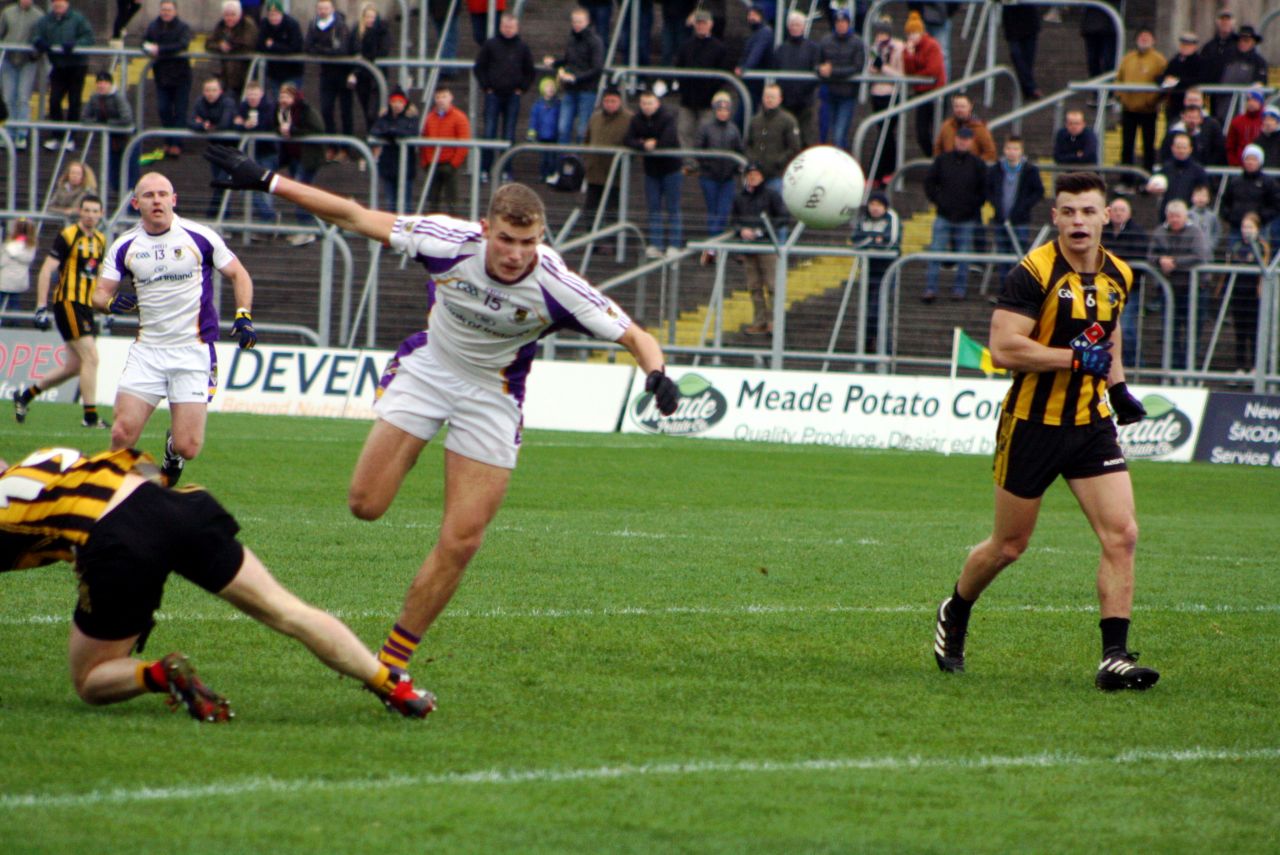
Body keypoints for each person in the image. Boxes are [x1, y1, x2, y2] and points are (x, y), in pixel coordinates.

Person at [202, 143, 681, 691]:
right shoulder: (446, 240)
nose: (514, 254)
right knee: (365, 505)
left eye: (527, 242)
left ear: (540, 240)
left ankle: (391, 661)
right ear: (485, 229)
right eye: (505, 239)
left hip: (493, 395)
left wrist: (656, 375)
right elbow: (355, 216)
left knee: (463, 540)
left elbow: (635, 336)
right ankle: (406, 456)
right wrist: (269, 181)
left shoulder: (556, 285)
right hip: (431, 369)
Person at [0, 446, 434, 721]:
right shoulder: (43, 458)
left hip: (118, 543)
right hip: (173, 506)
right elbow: (142, 465)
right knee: (288, 611)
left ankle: (160, 673)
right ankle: (393, 686)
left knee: (90, 681)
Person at [932, 171, 1157, 693]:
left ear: (1108, 216)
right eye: (1069, 212)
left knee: (1122, 535)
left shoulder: (1119, 273)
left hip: (1090, 425)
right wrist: (1073, 358)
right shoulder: (1031, 273)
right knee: (1009, 546)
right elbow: (1005, 349)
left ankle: (1114, 659)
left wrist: (1118, 387)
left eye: (1088, 211)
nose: (1079, 221)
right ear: (1055, 217)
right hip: (1032, 425)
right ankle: (957, 608)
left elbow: (1110, 327)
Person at [91, 173, 257, 485]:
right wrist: (110, 303)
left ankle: (172, 451)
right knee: (121, 434)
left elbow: (239, 274)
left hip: (192, 352)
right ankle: (125, 493)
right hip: (148, 352)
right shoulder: (125, 245)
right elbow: (98, 294)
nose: (157, 200)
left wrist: (243, 316)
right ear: (136, 203)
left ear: (174, 200)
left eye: (163, 194)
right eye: (149, 195)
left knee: (188, 446)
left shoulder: (199, 236)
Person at [14, 195, 108, 428]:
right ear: (79, 212)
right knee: (92, 357)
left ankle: (25, 396)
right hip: (68, 302)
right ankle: (90, 417)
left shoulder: (100, 240)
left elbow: (99, 275)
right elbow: (46, 271)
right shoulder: (68, 236)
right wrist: (40, 307)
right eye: (86, 210)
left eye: (95, 211)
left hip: (86, 306)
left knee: (75, 366)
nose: (90, 215)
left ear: (101, 214)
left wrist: (106, 305)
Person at [922, 126, 986, 302]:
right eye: (960, 138)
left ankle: (959, 289)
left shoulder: (978, 164)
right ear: (955, 139)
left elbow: (984, 190)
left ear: (971, 141)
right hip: (943, 215)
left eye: (966, 139)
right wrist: (939, 201)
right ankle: (930, 288)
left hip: (966, 218)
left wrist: (972, 206)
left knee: (963, 256)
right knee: (935, 252)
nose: (962, 142)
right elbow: (929, 183)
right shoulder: (942, 160)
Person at [1147, 198, 1211, 370]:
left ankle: (1189, 366)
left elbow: (1199, 256)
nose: (1174, 219)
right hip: (1168, 290)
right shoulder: (1159, 232)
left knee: (1193, 329)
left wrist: (1174, 262)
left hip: (1194, 290)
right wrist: (1161, 260)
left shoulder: (1195, 232)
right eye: (1171, 216)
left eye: (1178, 216)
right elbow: (1150, 256)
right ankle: (1173, 366)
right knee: (1171, 330)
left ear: (1185, 216)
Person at [473, 12, 534, 182]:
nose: (508, 30)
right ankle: (485, 170)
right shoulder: (490, 45)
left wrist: (522, 88)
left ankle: (506, 170)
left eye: (511, 27)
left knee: (509, 134)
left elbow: (530, 71)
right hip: (493, 95)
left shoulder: (522, 47)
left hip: (512, 96)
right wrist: (486, 87)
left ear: (517, 28)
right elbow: (479, 67)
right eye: (505, 26)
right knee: (489, 132)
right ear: (501, 27)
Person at [730, 162, 787, 335]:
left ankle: (774, 322)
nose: (753, 178)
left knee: (772, 286)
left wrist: (765, 229)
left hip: (767, 246)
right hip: (749, 248)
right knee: (754, 287)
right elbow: (733, 221)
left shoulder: (771, 195)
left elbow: (784, 217)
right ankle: (759, 321)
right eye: (750, 175)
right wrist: (742, 230)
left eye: (756, 174)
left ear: (762, 177)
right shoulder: (739, 197)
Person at [627, 88, 683, 258]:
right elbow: (628, 139)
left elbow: (669, 139)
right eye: (643, 103)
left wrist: (651, 144)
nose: (646, 107)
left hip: (671, 169)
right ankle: (656, 244)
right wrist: (643, 145)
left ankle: (674, 244)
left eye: (650, 103)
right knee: (654, 208)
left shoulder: (667, 117)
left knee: (673, 208)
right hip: (651, 171)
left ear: (657, 103)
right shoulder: (637, 119)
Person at [30, 0, 92, 141]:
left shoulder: (78, 18)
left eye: (61, 4)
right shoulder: (46, 20)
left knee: (74, 101)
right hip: (58, 65)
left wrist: (75, 44)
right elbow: (36, 34)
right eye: (55, 4)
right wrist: (39, 41)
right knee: (54, 100)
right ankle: (57, 135)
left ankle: (71, 136)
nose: (58, 7)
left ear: (67, 4)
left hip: (77, 65)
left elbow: (89, 37)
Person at [674, 8, 731, 158]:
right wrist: (684, 90)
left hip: (708, 101)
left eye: (704, 23)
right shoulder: (686, 46)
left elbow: (723, 75)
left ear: (710, 24)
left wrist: (712, 93)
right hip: (687, 100)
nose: (701, 26)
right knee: (684, 131)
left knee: (705, 134)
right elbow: (678, 69)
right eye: (698, 23)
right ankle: (688, 163)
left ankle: (703, 163)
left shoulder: (719, 48)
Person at [543, 7, 603, 147]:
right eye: (574, 22)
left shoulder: (595, 41)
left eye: (580, 22)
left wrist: (576, 78)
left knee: (582, 131)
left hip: (587, 90)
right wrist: (554, 63)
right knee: (563, 129)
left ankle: (579, 164)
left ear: (587, 22)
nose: (577, 25)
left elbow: (597, 67)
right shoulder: (572, 39)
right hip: (570, 89)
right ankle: (563, 163)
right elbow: (568, 60)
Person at [274, 82, 326, 243]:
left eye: (287, 96)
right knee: (300, 193)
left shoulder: (306, 110)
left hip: (308, 157)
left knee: (300, 193)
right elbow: (275, 127)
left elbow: (318, 129)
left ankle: (308, 229)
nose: (284, 100)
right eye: (282, 96)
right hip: (294, 157)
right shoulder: (280, 112)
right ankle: (315, 226)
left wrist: (293, 131)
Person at [849, 190, 900, 352]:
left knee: (877, 309)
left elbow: (889, 242)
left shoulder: (891, 218)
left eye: (878, 205)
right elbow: (855, 241)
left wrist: (869, 239)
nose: (875, 208)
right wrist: (874, 239)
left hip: (887, 271)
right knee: (867, 311)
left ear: (884, 207)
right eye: (872, 204)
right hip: (867, 270)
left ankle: (884, 347)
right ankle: (867, 343)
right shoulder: (863, 218)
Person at [141, 0, 192, 160]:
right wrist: (148, 48)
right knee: (163, 109)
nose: (166, 12)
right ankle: (168, 139)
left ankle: (176, 143)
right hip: (161, 75)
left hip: (181, 75)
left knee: (180, 110)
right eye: (163, 9)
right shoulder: (154, 26)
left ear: (175, 11)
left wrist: (160, 50)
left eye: (169, 10)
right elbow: (143, 42)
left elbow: (183, 44)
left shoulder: (183, 27)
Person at [304, 0, 354, 162]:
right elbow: (308, 47)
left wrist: (322, 51)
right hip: (326, 74)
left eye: (326, 8)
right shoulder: (314, 24)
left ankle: (346, 149)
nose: (323, 11)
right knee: (326, 110)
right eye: (320, 8)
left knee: (345, 112)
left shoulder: (341, 26)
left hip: (343, 73)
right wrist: (327, 51)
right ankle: (332, 146)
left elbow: (341, 50)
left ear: (332, 9)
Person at [986, 136, 1044, 275]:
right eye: (1009, 148)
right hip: (1000, 219)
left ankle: (1016, 289)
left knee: (1019, 255)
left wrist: (1024, 207)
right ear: (1004, 150)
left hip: (1020, 221)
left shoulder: (1030, 170)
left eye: (1015, 149)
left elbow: (1039, 191)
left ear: (1021, 151)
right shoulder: (996, 169)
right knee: (1002, 255)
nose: (1012, 152)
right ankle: (1004, 288)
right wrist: (995, 204)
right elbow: (987, 189)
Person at [695, 92, 742, 253]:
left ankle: (716, 242)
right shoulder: (706, 127)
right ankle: (714, 244)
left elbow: (739, 150)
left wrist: (735, 168)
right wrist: (708, 165)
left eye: (726, 110)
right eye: (720, 110)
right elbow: (698, 150)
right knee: (713, 210)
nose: (723, 113)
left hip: (727, 178)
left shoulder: (733, 130)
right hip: (709, 177)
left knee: (723, 211)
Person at [1115, 28, 1165, 179]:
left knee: (1148, 146)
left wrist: (1152, 100)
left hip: (1148, 110)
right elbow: (1119, 79)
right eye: (1141, 37)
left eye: (1147, 37)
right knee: (1127, 145)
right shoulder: (1128, 58)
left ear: (1153, 40)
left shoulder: (1159, 60)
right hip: (1129, 109)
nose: (1144, 39)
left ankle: (1147, 178)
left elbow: (1163, 82)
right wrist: (1121, 97)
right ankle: (1126, 179)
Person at [81, 70, 135, 202]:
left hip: (127, 139)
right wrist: (98, 123)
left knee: (130, 174)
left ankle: (131, 203)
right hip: (111, 141)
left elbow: (127, 118)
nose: (101, 85)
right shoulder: (94, 98)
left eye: (105, 83)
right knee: (114, 176)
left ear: (110, 84)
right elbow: (84, 117)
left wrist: (107, 123)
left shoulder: (118, 97)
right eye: (99, 82)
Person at [1105, 197, 1148, 363]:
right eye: (1115, 210)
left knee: (1127, 327)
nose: (1117, 213)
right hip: (1105, 288)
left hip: (1130, 288)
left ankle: (1134, 362)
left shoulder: (1137, 232)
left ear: (1129, 213)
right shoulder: (1103, 230)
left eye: (1121, 210)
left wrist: (1114, 256)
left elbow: (1139, 254)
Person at [817, 9, 867, 151]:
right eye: (838, 22)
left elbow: (857, 67)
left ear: (848, 23)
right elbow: (816, 62)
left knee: (839, 134)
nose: (840, 25)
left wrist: (832, 72)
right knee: (829, 134)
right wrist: (820, 69)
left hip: (847, 94)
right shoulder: (826, 41)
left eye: (843, 22)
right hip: (829, 93)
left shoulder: (857, 42)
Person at [583, 86, 632, 226]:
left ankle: (613, 244)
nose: (610, 104)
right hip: (594, 172)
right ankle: (592, 243)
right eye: (607, 101)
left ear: (620, 101)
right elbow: (587, 140)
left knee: (612, 212)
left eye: (613, 101)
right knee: (590, 210)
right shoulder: (595, 117)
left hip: (616, 174)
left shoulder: (629, 119)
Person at [190, 76, 239, 218]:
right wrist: (201, 125)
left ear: (220, 91)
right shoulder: (200, 102)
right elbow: (190, 121)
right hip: (215, 149)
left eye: (214, 90)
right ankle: (221, 218)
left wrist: (206, 124)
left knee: (222, 183)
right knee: (219, 183)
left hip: (231, 150)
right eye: (207, 90)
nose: (210, 93)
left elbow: (225, 124)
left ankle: (213, 216)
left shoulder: (228, 102)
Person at [419, 86, 471, 217]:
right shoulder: (429, 118)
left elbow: (464, 143)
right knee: (433, 199)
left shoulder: (459, 117)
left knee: (452, 199)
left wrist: (453, 164)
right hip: (432, 164)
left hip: (449, 164)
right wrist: (426, 162)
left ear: (451, 98)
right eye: (438, 97)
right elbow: (423, 142)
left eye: (444, 96)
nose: (441, 100)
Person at [772, 11, 821, 149]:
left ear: (804, 27)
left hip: (805, 103)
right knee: (785, 140)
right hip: (785, 102)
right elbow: (775, 73)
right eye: (792, 25)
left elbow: (817, 75)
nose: (795, 27)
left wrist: (804, 92)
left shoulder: (813, 48)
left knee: (806, 139)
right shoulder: (781, 49)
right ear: (788, 27)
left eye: (798, 25)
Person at [1223, 212, 1265, 371]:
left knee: (1254, 333)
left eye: (1250, 227)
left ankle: (1255, 366)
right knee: (1239, 333)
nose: (1246, 230)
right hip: (1238, 294)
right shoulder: (1236, 246)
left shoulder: (1262, 246)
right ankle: (1239, 366)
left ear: (1257, 229)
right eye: (1244, 227)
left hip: (1255, 296)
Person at [232, 80, 278, 225]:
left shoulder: (269, 107)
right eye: (250, 94)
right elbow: (235, 125)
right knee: (245, 187)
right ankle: (269, 218)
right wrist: (245, 126)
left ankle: (267, 223)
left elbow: (266, 126)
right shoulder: (243, 106)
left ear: (261, 94)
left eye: (255, 94)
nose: (252, 97)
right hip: (250, 154)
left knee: (265, 187)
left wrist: (246, 126)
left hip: (267, 153)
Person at [0, 0, 44, 150]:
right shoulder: (7, 12)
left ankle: (21, 134)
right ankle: (8, 131)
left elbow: (40, 37)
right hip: (8, 59)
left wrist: (35, 54)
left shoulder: (39, 15)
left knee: (23, 97)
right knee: (8, 97)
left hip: (27, 61)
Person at [866, 18, 904, 187]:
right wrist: (874, 67)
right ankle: (881, 172)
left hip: (892, 93)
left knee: (887, 132)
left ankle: (885, 170)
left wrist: (883, 68)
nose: (880, 36)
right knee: (882, 131)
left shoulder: (898, 47)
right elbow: (870, 69)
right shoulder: (875, 48)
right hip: (877, 93)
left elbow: (900, 74)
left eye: (883, 33)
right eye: (878, 33)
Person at [902, 11, 945, 159]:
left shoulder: (932, 45)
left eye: (914, 33)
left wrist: (916, 77)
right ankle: (933, 158)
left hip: (935, 92)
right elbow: (908, 71)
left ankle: (939, 159)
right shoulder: (910, 49)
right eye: (909, 34)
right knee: (921, 133)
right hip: (921, 93)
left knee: (937, 130)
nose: (911, 37)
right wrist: (909, 55)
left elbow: (933, 70)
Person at [745, 83, 801, 194]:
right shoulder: (755, 121)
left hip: (777, 175)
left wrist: (778, 162)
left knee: (776, 208)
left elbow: (795, 148)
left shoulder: (788, 121)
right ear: (762, 98)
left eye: (772, 97)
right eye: (767, 96)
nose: (769, 100)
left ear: (779, 99)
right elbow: (747, 144)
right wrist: (752, 160)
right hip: (755, 175)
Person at [369, 86, 418, 211]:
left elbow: (411, 132)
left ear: (404, 103)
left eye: (400, 102)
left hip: (406, 166)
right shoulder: (384, 118)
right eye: (394, 102)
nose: (397, 105)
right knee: (391, 203)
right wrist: (393, 133)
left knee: (405, 204)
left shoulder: (411, 118)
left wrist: (390, 133)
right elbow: (375, 131)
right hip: (388, 166)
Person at [1221, 143, 1280, 241]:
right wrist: (1231, 217)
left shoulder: (1268, 183)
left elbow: (1275, 206)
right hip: (1236, 229)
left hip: (1260, 229)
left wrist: (1259, 217)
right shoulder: (1235, 182)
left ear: (1260, 162)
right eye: (1248, 159)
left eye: (1254, 159)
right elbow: (1225, 203)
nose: (1250, 162)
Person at [351, 2, 392, 133]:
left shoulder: (381, 31)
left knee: (373, 111)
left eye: (372, 17)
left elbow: (383, 51)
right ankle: (371, 139)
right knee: (365, 110)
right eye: (367, 17)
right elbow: (351, 49)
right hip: (362, 75)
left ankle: (375, 141)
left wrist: (363, 56)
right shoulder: (356, 31)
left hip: (376, 75)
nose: (370, 20)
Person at [1152, 132, 1208, 219]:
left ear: (1190, 149)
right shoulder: (1165, 169)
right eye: (1178, 147)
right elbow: (1153, 186)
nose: (1181, 150)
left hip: (1191, 217)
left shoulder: (1199, 171)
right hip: (1167, 216)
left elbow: (1204, 193)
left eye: (1184, 148)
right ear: (1172, 148)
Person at [735, 4, 774, 126]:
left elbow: (756, 54)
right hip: (751, 82)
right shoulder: (754, 34)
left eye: (755, 15)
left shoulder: (764, 32)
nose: (751, 17)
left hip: (756, 82)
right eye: (750, 14)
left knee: (744, 116)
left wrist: (745, 68)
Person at [209, 0, 258, 98]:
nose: (229, 18)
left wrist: (230, 47)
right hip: (225, 77)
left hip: (245, 75)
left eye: (233, 15)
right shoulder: (221, 25)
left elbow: (248, 43)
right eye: (227, 15)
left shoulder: (248, 24)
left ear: (239, 14)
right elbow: (209, 43)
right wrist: (220, 46)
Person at [257, 0, 305, 94]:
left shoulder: (292, 24)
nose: (273, 17)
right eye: (271, 14)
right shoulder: (264, 24)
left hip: (292, 72)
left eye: (276, 14)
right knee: (275, 103)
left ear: (281, 13)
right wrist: (280, 47)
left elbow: (295, 47)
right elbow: (259, 45)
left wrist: (273, 46)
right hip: (273, 73)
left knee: (292, 101)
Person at [934, 92, 997, 163]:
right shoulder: (946, 126)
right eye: (956, 106)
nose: (959, 110)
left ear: (970, 107)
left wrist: (972, 165)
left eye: (962, 107)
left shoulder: (980, 128)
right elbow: (938, 148)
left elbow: (990, 153)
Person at [1199, 10, 1238, 120]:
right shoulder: (1209, 46)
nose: (1225, 23)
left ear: (1233, 23)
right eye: (1222, 20)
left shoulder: (1239, 45)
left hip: (1232, 94)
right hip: (1212, 94)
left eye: (1228, 20)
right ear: (1217, 22)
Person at [1158, 104, 1225, 167]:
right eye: (1189, 117)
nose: (1192, 121)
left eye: (1195, 118)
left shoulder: (1204, 136)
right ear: (1183, 117)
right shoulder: (1172, 136)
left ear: (1200, 120)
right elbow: (1164, 156)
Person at [1001, 1, 1041, 100]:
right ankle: (1030, 87)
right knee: (1016, 54)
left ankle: (1027, 89)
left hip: (1029, 20)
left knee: (1028, 59)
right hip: (1012, 22)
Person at [1161, 32, 1201, 123]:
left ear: (1194, 46)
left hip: (1191, 106)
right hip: (1174, 105)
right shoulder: (1175, 60)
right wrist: (1165, 81)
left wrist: (1177, 82)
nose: (1185, 47)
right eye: (1183, 44)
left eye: (1188, 45)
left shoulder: (1199, 61)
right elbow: (1164, 75)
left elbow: (1198, 79)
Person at [527, 76, 561, 183]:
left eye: (552, 87)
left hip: (554, 134)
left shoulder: (558, 104)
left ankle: (551, 174)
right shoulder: (538, 105)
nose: (550, 89)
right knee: (544, 157)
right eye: (547, 87)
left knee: (552, 157)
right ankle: (543, 174)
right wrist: (532, 132)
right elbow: (534, 119)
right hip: (542, 134)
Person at [0, 218, 35, 319]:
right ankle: (14, 325)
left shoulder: (9, 245)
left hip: (5, 280)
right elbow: (29, 259)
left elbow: (2, 262)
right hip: (19, 280)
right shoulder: (31, 245)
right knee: (15, 305)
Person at [1079, 0, 1119, 79]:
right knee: (1093, 62)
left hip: (1109, 25)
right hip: (1091, 26)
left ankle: (1109, 89)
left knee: (1109, 63)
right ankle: (1096, 89)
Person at [1226, 89, 1265, 167]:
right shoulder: (1237, 121)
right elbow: (1230, 145)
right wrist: (1234, 163)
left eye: (1255, 100)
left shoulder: (1265, 121)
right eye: (1249, 100)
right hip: (1240, 165)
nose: (1251, 103)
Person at [1220, 24, 1267, 89]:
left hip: (1246, 97)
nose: (1242, 43)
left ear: (1253, 42)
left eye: (1246, 40)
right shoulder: (1226, 58)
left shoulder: (1259, 62)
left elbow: (1260, 84)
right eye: (1240, 40)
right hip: (1224, 97)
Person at [1188, 184, 1221, 261]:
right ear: (1192, 198)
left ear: (1208, 198)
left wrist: (1211, 245)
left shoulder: (1213, 216)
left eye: (1204, 196)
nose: (1201, 199)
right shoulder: (1187, 215)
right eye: (1198, 196)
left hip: (1207, 254)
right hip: (1190, 254)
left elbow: (1217, 232)